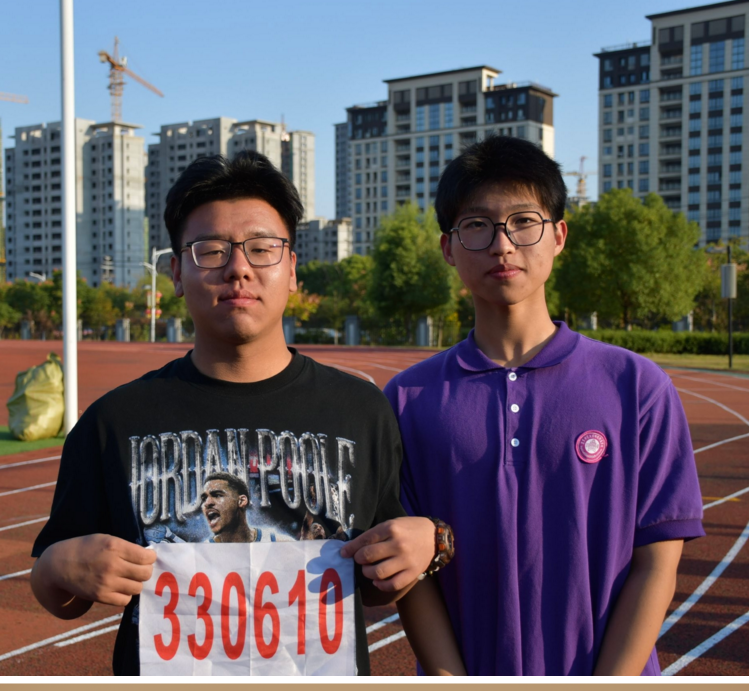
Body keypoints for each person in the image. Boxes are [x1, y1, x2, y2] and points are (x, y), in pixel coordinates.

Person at [29, 151, 437, 676]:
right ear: (176, 273)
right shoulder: (113, 422)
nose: (238, 268)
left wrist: (419, 550)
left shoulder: (360, 411)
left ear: (292, 270)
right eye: (211, 250)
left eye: (262, 249)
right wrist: (57, 568)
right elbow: (60, 597)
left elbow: (380, 585)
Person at [382, 135, 705, 676]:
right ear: (448, 248)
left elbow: (657, 560)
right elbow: (410, 572)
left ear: (558, 236)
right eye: (477, 225)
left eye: (523, 222)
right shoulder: (407, 399)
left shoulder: (636, 386)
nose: (502, 245)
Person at [200, 472, 258, 543]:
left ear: (241, 501)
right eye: (204, 499)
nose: (207, 503)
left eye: (217, 495)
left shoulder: (269, 539)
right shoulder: (204, 548)